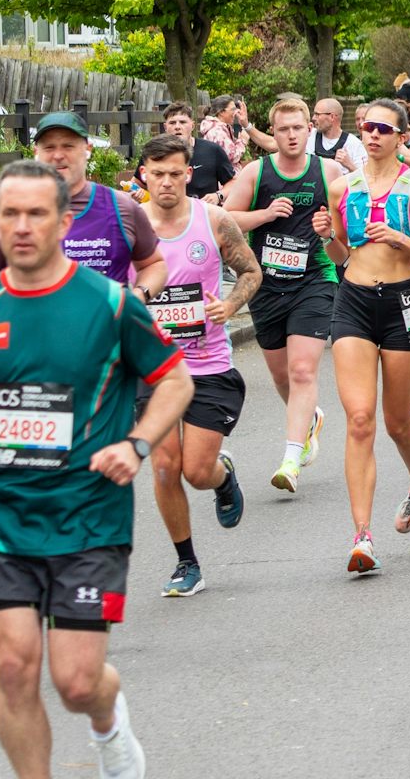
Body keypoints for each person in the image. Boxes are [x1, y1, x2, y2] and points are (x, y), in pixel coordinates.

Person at [0, 159, 195, 779]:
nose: (21, 227)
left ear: (63, 220)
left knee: (75, 683)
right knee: (15, 667)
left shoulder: (109, 305)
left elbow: (175, 381)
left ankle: (109, 726)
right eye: (9, 214)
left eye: (36, 213)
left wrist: (135, 444)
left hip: (88, 517)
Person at [316, 98, 410, 574]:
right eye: (367, 126)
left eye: (384, 129)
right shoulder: (340, 186)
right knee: (361, 419)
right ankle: (363, 536)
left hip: (404, 303)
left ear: (402, 136)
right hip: (352, 301)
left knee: (396, 422)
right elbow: (340, 253)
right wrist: (326, 234)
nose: (373, 135)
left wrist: (401, 239)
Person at [135, 134, 262, 596]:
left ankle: (222, 478)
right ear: (143, 174)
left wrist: (229, 306)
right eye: (157, 173)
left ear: (189, 175)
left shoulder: (213, 219)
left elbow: (251, 272)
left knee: (195, 470)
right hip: (154, 367)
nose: (166, 182)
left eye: (175, 174)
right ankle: (187, 563)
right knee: (165, 467)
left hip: (208, 364)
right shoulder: (131, 227)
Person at [221, 97, 345, 492]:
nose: (292, 135)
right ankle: (309, 420)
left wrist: (331, 231)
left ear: (310, 129)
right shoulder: (257, 173)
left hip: (314, 279)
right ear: (271, 134)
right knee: (281, 376)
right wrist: (265, 214)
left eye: (298, 127)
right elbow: (225, 218)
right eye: (283, 129)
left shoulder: (328, 171)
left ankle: (291, 458)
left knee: (303, 370)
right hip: (266, 284)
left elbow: (348, 222)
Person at [0, 111, 167, 301]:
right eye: (49, 147)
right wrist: (21, 300)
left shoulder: (121, 207)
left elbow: (154, 265)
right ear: (35, 152)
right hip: (35, 339)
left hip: (107, 338)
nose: (58, 155)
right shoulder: (11, 215)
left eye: (68, 146)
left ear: (87, 149)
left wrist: (139, 296)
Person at [161, 101, 236, 202]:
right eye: (172, 123)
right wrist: (139, 193)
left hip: (205, 212)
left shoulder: (212, 150)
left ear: (192, 125)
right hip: (169, 213)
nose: (177, 127)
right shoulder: (156, 153)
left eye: (183, 122)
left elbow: (233, 183)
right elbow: (138, 183)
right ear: (165, 127)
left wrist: (218, 196)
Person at [310, 98, 364, 170]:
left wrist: (350, 165)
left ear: (332, 117)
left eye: (317, 114)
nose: (313, 118)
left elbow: (363, 179)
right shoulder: (309, 137)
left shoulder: (354, 144)